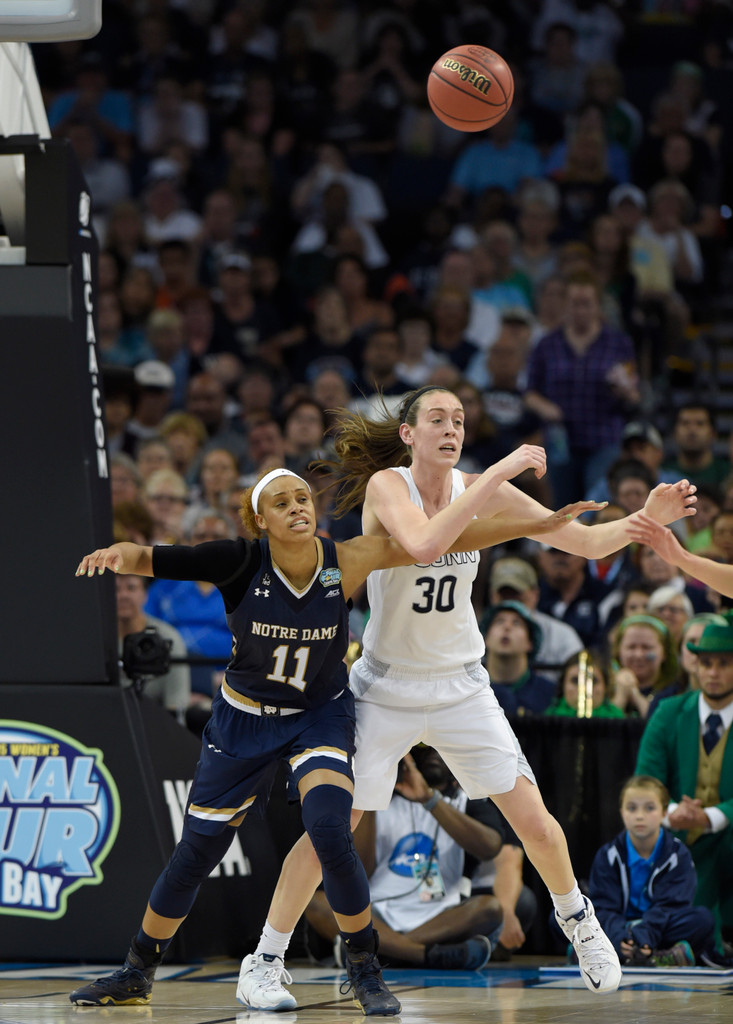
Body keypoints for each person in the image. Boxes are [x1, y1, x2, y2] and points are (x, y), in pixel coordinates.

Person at [68, 462, 593, 1012]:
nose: (298, 507)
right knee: (196, 854)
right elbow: (150, 558)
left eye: (303, 498)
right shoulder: (237, 559)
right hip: (244, 719)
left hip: (318, 716)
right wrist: (115, 555)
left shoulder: (347, 558)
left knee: (329, 830)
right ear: (260, 519)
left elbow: (449, 540)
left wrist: (541, 525)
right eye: (282, 502)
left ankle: (365, 970)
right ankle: (136, 970)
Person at [241, 383, 697, 1006]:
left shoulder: (481, 485)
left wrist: (644, 519)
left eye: (458, 419)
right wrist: (505, 471)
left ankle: (580, 923)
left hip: (461, 683)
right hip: (386, 682)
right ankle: (264, 959)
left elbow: (585, 541)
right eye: (436, 418)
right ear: (408, 434)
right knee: (332, 828)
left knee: (533, 821)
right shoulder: (388, 488)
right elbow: (427, 544)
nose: (451, 428)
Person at [305, 746, 503, 970]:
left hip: (440, 916)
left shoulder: (466, 800)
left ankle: (375, 953)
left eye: (441, 747)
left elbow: (491, 846)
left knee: (490, 908)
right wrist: (372, 794)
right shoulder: (377, 801)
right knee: (315, 902)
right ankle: (425, 955)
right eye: (426, 748)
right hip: (375, 913)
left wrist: (429, 799)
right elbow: (357, 868)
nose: (434, 754)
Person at [632, 618, 733, 958]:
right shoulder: (669, 713)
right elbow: (646, 781)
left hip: (726, 833)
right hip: (675, 834)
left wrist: (710, 817)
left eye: (724, 663)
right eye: (706, 663)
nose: (713, 673)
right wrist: (675, 812)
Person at [587, 775, 716, 967]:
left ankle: (612, 955)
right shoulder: (608, 854)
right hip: (618, 927)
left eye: (649, 808)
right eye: (631, 808)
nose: (640, 815)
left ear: (664, 813)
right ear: (621, 812)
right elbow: (605, 907)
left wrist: (645, 936)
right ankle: (645, 954)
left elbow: (671, 906)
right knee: (562, 920)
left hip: (660, 928)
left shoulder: (678, 855)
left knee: (702, 920)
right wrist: (619, 937)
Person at [486, 555, 584, 682]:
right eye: (504, 597)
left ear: (535, 595)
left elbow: (579, 681)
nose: (511, 606)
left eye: (517, 597)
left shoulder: (563, 636)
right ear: (492, 596)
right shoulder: (473, 634)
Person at [479, 601, 556, 716]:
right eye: (499, 621)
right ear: (485, 639)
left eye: (516, 623)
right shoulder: (469, 690)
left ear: (530, 642)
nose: (507, 627)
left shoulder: (550, 694)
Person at [609, 615, 679, 720]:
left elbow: (662, 729)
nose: (638, 655)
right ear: (618, 651)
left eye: (647, 647)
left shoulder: (676, 692)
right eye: (631, 647)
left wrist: (635, 694)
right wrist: (620, 697)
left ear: (664, 652)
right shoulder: (602, 687)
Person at [545, 649, 624, 718]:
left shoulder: (621, 722)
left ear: (605, 686)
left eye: (593, 681)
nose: (584, 688)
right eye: (575, 681)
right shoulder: (546, 722)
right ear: (563, 685)